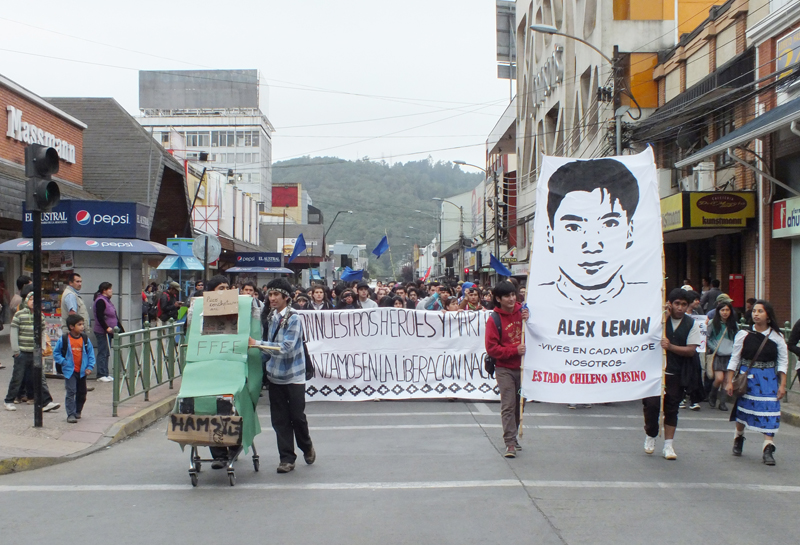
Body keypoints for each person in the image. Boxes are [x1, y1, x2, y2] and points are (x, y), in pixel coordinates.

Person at [540, 159, 645, 306]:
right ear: (550, 236)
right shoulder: (539, 303)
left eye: (609, 224)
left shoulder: (645, 301)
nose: (592, 246)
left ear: (630, 231)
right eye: (574, 227)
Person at [249, 278, 315, 474]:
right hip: (275, 376)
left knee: (297, 417)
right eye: (270, 295)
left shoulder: (294, 318)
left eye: (276, 294)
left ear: (286, 297)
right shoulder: (270, 318)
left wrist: (257, 343)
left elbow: (286, 348)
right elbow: (268, 349)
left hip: (294, 376)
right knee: (279, 419)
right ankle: (286, 458)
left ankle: (306, 445)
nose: (272, 298)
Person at [725, 300, 788, 465]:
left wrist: (782, 385)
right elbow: (735, 358)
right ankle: (739, 436)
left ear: (768, 315)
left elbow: (783, 362)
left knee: (771, 411)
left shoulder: (777, 337)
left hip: (769, 378)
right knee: (744, 410)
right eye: (754, 311)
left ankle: (768, 448)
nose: (756, 314)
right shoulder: (744, 335)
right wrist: (729, 381)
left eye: (760, 311)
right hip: (748, 377)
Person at [642, 289, 701, 460]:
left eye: (684, 304)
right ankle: (651, 434)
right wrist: (663, 316)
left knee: (672, 407)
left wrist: (671, 347)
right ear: (670, 304)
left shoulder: (691, 324)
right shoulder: (660, 320)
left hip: (676, 371)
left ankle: (668, 444)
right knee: (652, 405)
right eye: (677, 304)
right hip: (655, 371)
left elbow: (691, 350)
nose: (680, 308)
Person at [484, 281, 529, 459]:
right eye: (507, 296)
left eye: (513, 295)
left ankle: (514, 435)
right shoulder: (494, 319)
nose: (511, 299)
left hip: (524, 368)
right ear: (498, 299)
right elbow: (492, 349)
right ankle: (509, 442)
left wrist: (529, 319)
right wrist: (513, 351)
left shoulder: (524, 312)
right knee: (508, 404)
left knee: (520, 405)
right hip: (504, 368)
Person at [4, 293, 60, 413]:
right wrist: (16, 350)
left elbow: (43, 331)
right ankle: (9, 400)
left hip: (35, 352)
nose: (33, 301)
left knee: (40, 378)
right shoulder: (19, 315)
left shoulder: (40, 316)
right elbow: (14, 332)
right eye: (31, 299)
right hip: (22, 352)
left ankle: (47, 402)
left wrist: (43, 346)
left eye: (36, 299)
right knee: (17, 377)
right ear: (26, 300)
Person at [54, 315, 96, 423]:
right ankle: (71, 414)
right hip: (70, 371)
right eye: (79, 324)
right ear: (72, 327)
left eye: (82, 324)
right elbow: (56, 353)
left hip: (82, 371)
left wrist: (89, 367)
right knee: (71, 391)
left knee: (82, 392)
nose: (82, 327)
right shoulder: (64, 339)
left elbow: (91, 353)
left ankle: (78, 410)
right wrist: (64, 362)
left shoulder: (85, 339)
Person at [706, 301, 737, 412]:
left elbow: (736, 339)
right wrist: (715, 348)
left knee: (726, 380)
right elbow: (707, 338)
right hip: (718, 355)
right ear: (718, 311)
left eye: (727, 310)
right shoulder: (712, 324)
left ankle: (722, 403)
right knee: (719, 378)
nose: (725, 312)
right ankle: (713, 394)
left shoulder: (734, 325)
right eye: (722, 310)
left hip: (730, 355)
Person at [92, 282, 122, 383]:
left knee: (107, 352)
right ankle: (101, 374)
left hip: (109, 331)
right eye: (110, 289)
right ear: (104, 290)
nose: (111, 291)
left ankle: (105, 373)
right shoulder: (101, 301)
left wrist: (119, 328)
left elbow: (114, 316)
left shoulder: (107, 301)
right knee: (103, 351)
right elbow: (100, 317)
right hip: (102, 331)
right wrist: (106, 327)